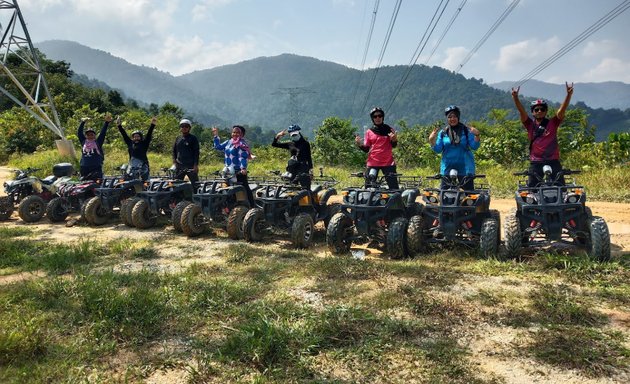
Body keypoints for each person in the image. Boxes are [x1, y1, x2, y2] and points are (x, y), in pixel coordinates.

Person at [511, 82, 574, 187]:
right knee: (532, 189)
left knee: (561, 188)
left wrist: (568, 95)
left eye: (542, 109)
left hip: (553, 159)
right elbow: (521, 111)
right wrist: (515, 98)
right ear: (533, 112)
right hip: (536, 161)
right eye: (536, 109)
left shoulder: (553, 123)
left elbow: (561, 111)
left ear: (545, 111)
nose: (539, 111)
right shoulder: (529, 124)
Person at [428, 105, 481, 191]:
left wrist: (477, 135)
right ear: (447, 118)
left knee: (469, 197)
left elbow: (474, 146)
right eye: (450, 117)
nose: (452, 119)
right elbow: (438, 149)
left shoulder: (466, 131)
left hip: (465, 169)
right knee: (444, 196)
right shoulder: (443, 133)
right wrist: (431, 140)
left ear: (458, 117)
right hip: (447, 168)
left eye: (454, 116)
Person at [355, 107, 399, 189]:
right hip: (373, 163)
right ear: (372, 118)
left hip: (388, 162)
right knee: (369, 188)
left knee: (394, 188)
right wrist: (359, 144)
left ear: (383, 117)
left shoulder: (389, 129)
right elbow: (366, 149)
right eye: (375, 116)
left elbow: (394, 145)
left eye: (380, 116)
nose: (378, 118)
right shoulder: (369, 131)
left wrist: (394, 140)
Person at [212, 125, 254, 205]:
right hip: (228, 171)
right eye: (234, 132)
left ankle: (252, 206)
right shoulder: (228, 142)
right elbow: (218, 147)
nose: (235, 134)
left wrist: (243, 168)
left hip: (238, 171)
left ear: (241, 134)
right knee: (226, 189)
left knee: (245, 188)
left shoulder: (242, 144)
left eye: (238, 133)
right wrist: (216, 135)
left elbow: (242, 156)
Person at [272, 124, 313, 189]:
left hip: (303, 168)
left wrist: (311, 169)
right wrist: (278, 136)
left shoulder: (305, 143)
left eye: (295, 134)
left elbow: (309, 156)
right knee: (292, 188)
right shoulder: (290, 144)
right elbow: (274, 144)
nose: (294, 136)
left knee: (306, 188)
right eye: (293, 135)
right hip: (293, 168)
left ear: (299, 133)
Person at [118, 116, 156, 180]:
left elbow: (149, 134)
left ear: (140, 137)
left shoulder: (144, 143)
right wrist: (119, 126)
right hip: (132, 166)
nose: (136, 138)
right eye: (134, 137)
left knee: (145, 181)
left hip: (143, 166)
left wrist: (152, 125)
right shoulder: (130, 143)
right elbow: (124, 135)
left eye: (138, 136)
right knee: (128, 179)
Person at [78, 114, 111, 180]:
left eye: (91, 135)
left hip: (96, 167)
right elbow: (79, 133)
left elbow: (103, 133)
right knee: (84, 185)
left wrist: (106, 123)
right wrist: (83, 122)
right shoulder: (83, 141)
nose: (90, 136)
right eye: (88, 135)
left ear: (94, 135)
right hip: (84, 167)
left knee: (97, 184)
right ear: (86, 136)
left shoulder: (98, 142)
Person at [172, 118, 200, 183]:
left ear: (189, 128)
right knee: (176, 184)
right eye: (182, 126)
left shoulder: (193, 138)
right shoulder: (178, 138)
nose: (184, 128)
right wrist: (174, 162)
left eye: (186, 126)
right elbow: (174, 151)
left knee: (195, 184)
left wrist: (195, 165)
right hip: (179, 165)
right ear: (180, 128)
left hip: (190, 165)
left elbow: (196, 152)